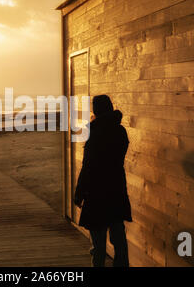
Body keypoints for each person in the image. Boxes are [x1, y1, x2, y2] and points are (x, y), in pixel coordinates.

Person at [74, 94, 132, 267]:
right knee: (119, 241)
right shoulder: (120, 131)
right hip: (116, 189)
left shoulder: (94, 132)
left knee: (98, 246)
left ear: (97, 110)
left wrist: (79, 194)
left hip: (97, 192)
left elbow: (88, 167)